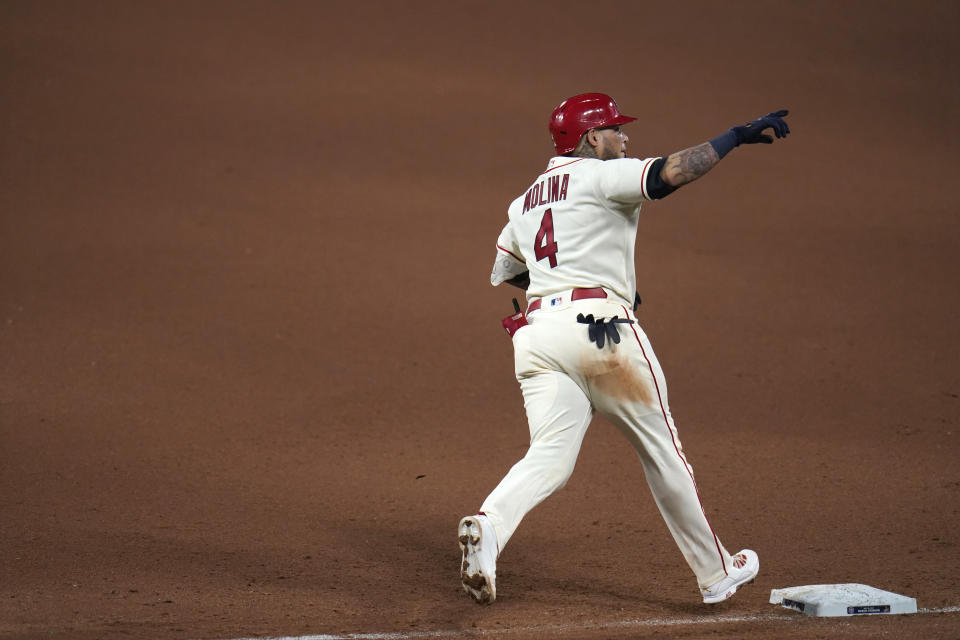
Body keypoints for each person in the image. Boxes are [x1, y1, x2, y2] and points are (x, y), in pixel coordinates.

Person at [458, 93, 790, 605]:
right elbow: (669, 174)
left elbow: (508, 269)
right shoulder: (600, 175)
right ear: (592, 138)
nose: (624, 137)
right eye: (614, 129)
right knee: (663, 451)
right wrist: (734, 138)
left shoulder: (523, 201)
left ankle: (489, 527)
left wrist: (566, 275)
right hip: (600, 330)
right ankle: (716, 571)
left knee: (549, 455)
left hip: (538, 334)